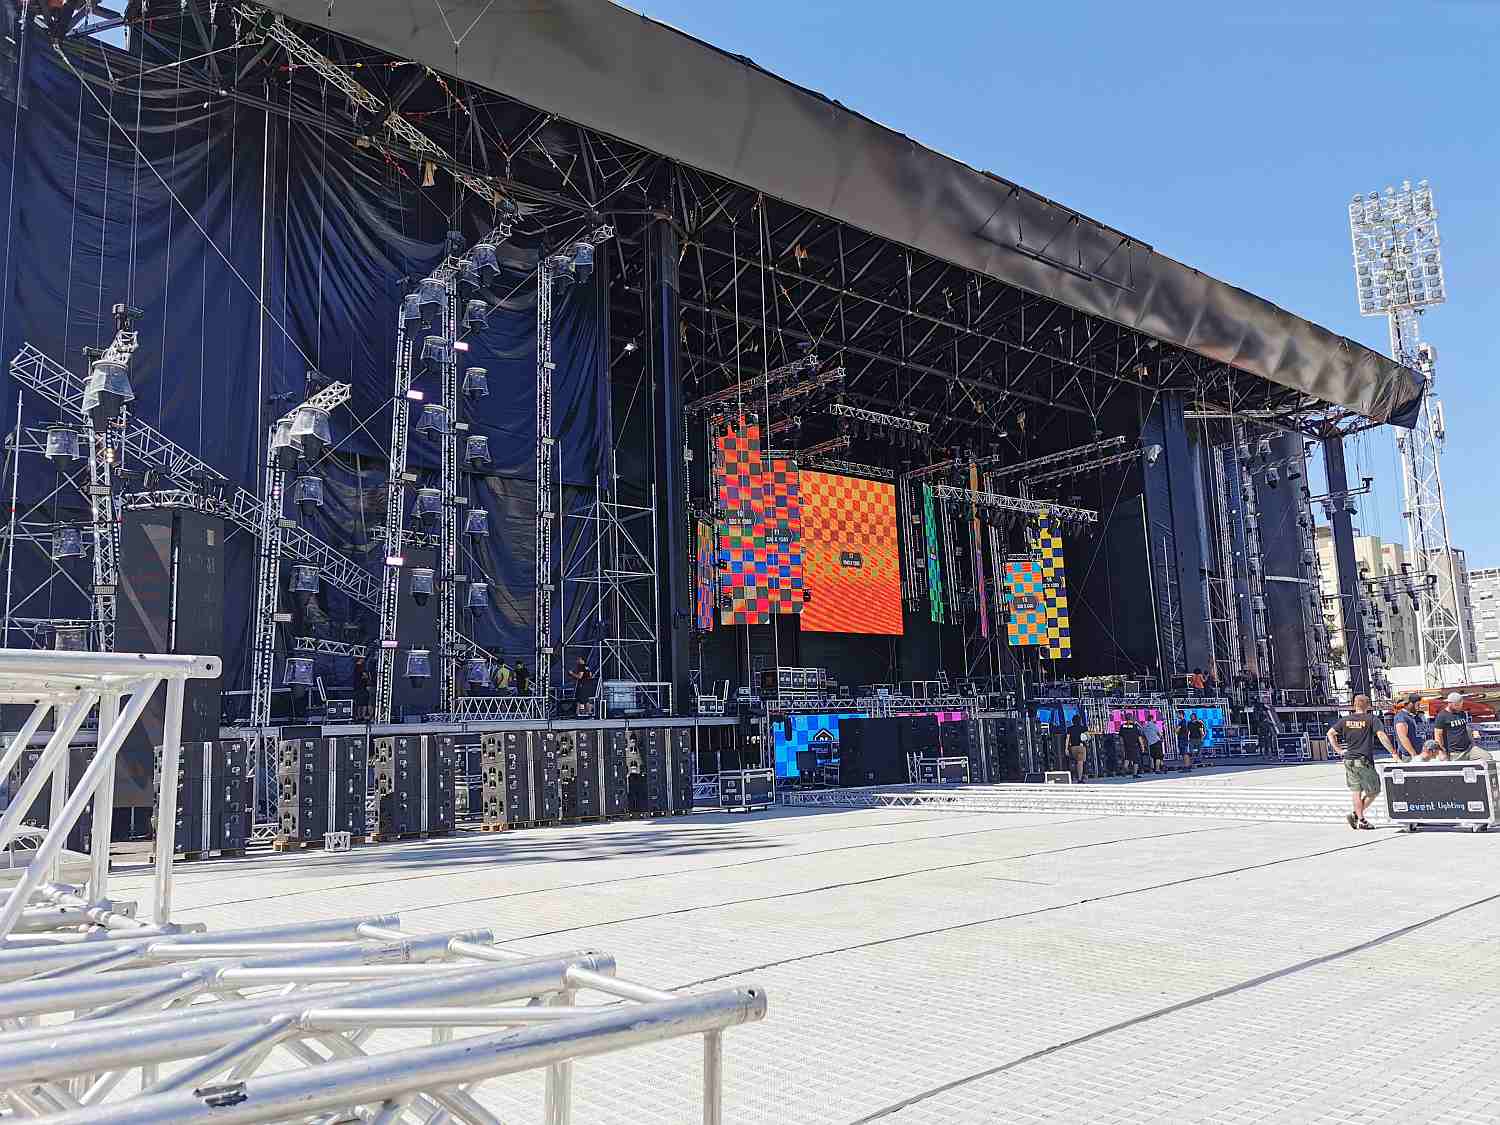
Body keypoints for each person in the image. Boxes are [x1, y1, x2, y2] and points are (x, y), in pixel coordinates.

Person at [1326, 693, 1396, 830]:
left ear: (1354, 705)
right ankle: (1357, 816)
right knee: (1374, 790)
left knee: (1356, 791)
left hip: (1349, 759)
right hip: (1363, 760)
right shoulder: (1371, 719)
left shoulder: (1345, 720)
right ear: (1368, 705)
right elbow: (1381, 735)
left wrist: (1339, 750)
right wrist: (1393, 752)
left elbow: (1330, 733)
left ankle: (1359, 817)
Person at [1434, 692, 1489, 762]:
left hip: (1469, 749)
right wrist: (1441, 751)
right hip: (1454, 753)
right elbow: (1438, 735)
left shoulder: (1462, 713)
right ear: (1449, 703)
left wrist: (1473, 741)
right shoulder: (1442, 716)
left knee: (1487, 757)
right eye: (1457, 705)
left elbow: (1466, 729)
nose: (1459, 707)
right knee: (1459, 768)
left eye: (1461, 705)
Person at [1389, 694, 1424, 763]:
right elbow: (1403, 738)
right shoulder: (1401, 717)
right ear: (1409, 704)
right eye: (1417, 703)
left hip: (1420, 754)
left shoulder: (1416, 717)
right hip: (1409, 756)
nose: (1419, 706)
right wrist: (1414, 754)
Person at [1066, 712, 1089, 782]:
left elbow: (1067, 739)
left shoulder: (1069, 729)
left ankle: (1073, 776)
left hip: (1073, 747)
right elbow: (1088, 737)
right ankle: (1079, 778)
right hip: (1081, 747)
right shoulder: (1084, 728)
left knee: (1073, 762)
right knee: (1080, 762)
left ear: (1072, 721)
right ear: (1080, 721)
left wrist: (1066, 748)